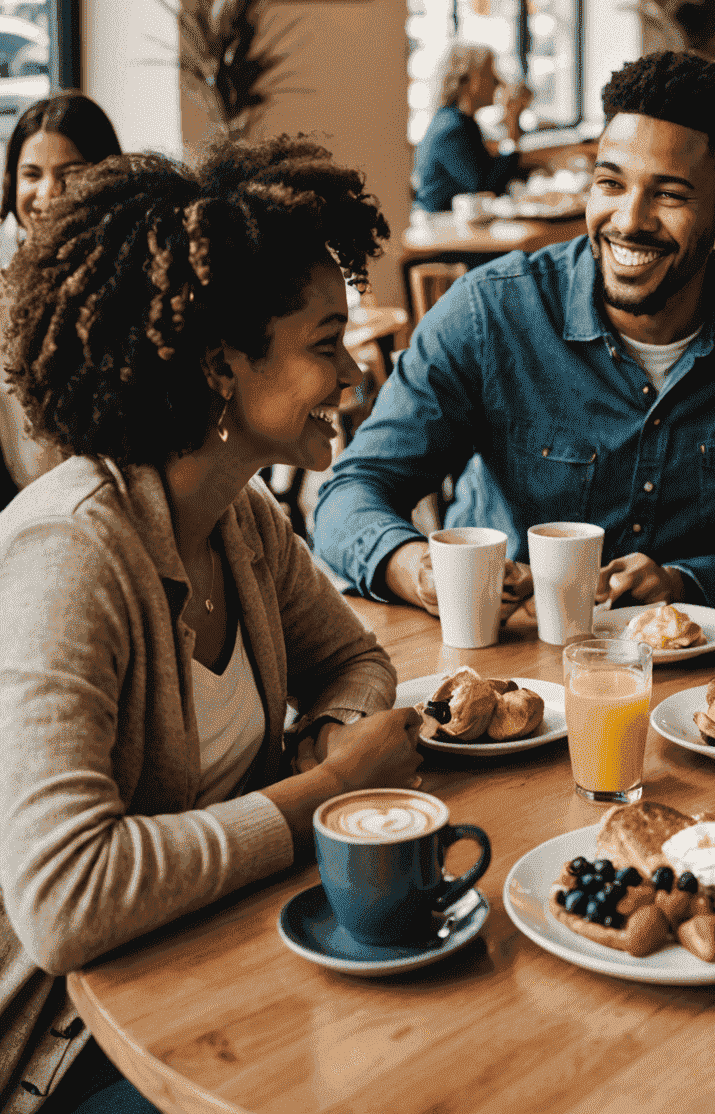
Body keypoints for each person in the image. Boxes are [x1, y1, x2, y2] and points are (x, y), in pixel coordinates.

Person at [0, 136, 423, 1113]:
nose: (355, 377)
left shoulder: (237, 518)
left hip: (213, 959)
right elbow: (66, 900)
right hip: (67, 1045)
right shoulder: (70, 553)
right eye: (326, 345)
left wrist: (331, 735)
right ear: (218, 368)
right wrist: (324, 792)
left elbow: (352, 658)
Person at [315, 50, 715, 617]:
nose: (629, 220)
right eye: (610, 184)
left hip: (705, 681)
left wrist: (684, 583)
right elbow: (351, 494)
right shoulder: (491, 314)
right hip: (509, 660)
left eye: (669, 194)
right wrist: (419, 571)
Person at [0, 94, 122, 500]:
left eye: (71, 173)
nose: (48, 193)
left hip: (113, 515)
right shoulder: (4, 298)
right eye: (31, 175)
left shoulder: (135, 290)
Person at [411, 41, 534, 212]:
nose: (498, 83)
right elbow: (485, 186)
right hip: (440, 226)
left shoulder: (460, 121)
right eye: (490, 75)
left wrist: (512, 122)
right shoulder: (452, 129)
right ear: (471, 81)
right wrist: (512, 124)